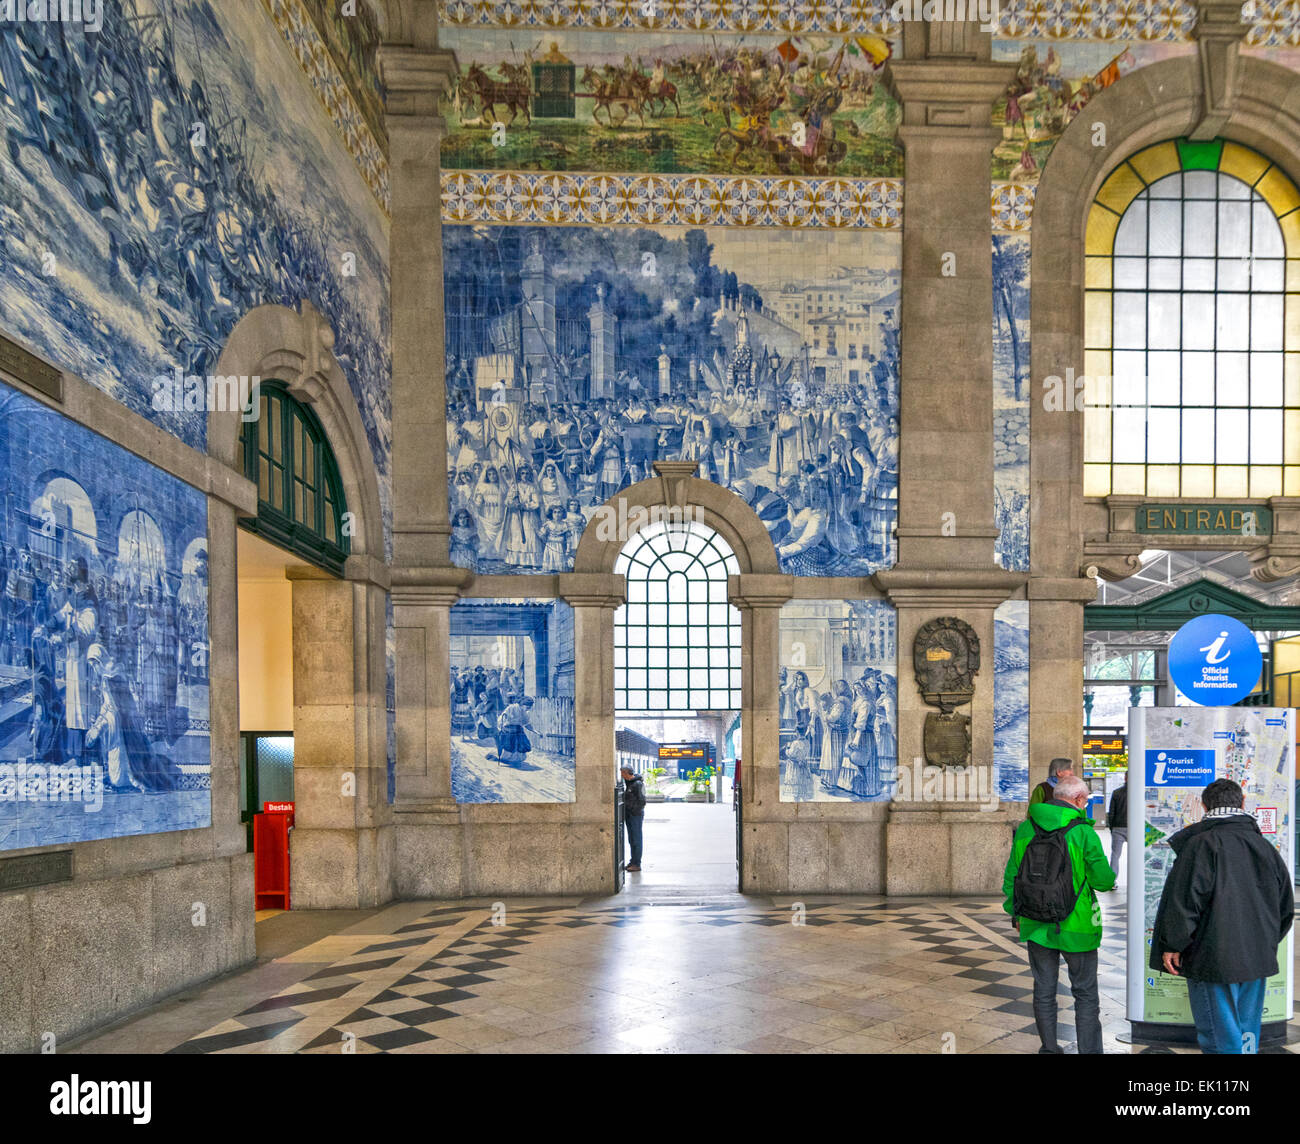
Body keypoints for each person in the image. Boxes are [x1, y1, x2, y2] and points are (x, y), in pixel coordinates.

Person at [1149, 778, 1294, 1055]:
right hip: (1257, 956)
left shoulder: (1200, 844)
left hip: (1213, 955)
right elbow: (1286, 905)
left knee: (1220, 1036)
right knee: (1246, 1031)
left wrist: (1174, 944)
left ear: (1204, 806)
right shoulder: (1264, 846)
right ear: (1242, 804)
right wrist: (1264, 940)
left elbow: (1185, 900)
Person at [1003, 774, 1116, 1054]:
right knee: (1085, 994)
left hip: (1035, 922)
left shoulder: (1026, 828)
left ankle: (1050, 1049)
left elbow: (1011, 877)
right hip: (1077, 925)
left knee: (1044, 990)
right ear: (1078, 799)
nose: (1086, 805)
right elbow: (1103, 880)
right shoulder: (1083, 832)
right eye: (1086, 800)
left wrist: (1015, 913)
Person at [620, 764, 645, 872]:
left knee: (636, 839)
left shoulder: (637, 784)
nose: (621, 775)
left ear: (626, 773)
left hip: (635, 815)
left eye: (622, 773)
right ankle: (633, 861)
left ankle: (637, 863)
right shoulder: (630, 783)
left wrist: (633, 810)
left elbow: (642, 801)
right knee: (631, 840)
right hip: (630, 815)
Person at [1106, 771, 1129, 874]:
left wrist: (1112, 828)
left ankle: (1112, 881)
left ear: (1125, 778)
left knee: (1115, 855)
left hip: (1118, 828)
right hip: (1134, 829)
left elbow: (1111, 813)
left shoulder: (1116, 792)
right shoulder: (1140, 792)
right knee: (1137, 855)